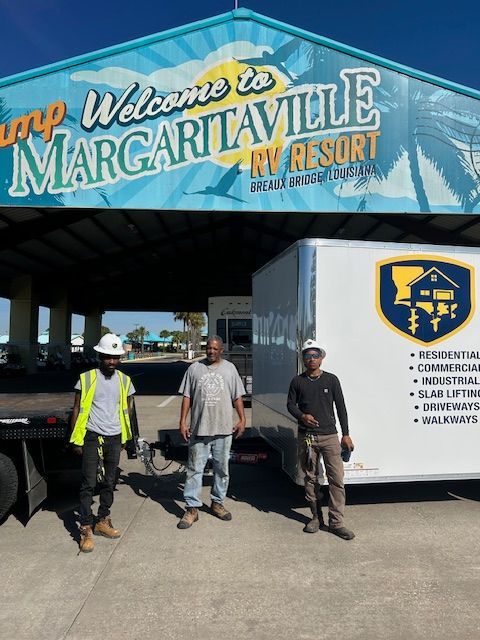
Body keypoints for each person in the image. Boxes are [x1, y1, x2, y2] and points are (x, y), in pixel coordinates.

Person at [70, 333, 135, 553]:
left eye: (115, 357)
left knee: (109, 482)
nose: (112, 361)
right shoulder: (87, 378)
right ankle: (86, 527)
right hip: (92, 436)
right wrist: (75, 440)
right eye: (108, 357)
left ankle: (102, 520)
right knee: (88, 483)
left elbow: (128, 409)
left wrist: (125, 437)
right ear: (100, 356)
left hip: (115, 437)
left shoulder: (125, 380)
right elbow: (77, 409)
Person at [287, 339, 355, 540]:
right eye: (307, 356)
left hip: (330, 437)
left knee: (336, 480)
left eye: (315, 355)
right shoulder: (297, 381)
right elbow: (290, 405)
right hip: (307, 437)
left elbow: (340, 407)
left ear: (322, 358)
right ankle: (316, 518)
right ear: (303, 359)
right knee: (310, 479)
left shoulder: (331, 380)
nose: (311, 359)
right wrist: (302, 416)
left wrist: (346, 434)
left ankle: (336, 523)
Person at [177, 335, 246, 529]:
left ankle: (217, 503)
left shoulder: (230, 369)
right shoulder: (194, 368)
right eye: (208, 348)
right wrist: (182, 422)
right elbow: (187, 397)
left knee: (222, 469)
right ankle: (192, 508)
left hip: (223, 429)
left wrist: (242, 419)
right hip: (199, 429)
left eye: (215, 349)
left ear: (221, 350)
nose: (211, 351)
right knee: (194, 469)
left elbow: (237, 396)